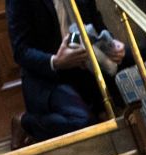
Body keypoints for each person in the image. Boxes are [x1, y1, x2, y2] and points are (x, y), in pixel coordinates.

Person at [7, 0, 127, 142]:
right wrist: (56, 61)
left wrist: (113, 44)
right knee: (83, 122)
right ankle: (25, 122)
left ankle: (101, 109)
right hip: (49, 77)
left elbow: (96, 23)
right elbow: (21, 51)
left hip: (86, 66)